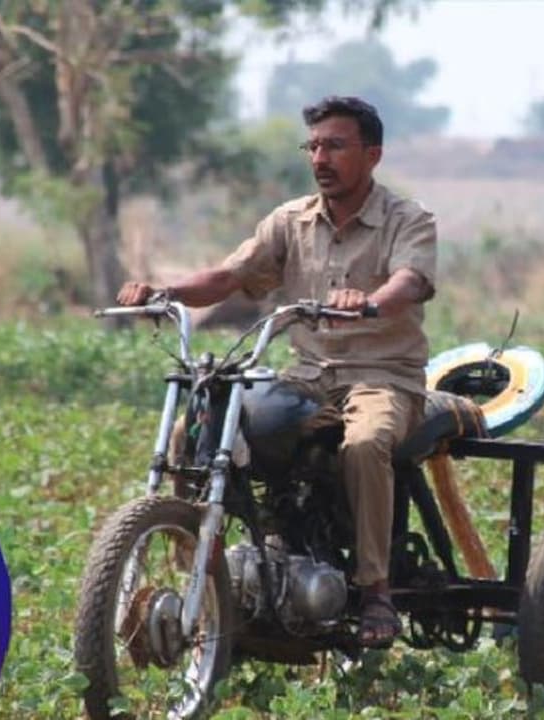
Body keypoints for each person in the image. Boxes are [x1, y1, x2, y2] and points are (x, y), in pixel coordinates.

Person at [116, 96, 436, 649]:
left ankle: (377, 588)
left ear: (372, 154)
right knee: (201, 426)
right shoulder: (290, 222)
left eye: (335, 145)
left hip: (383, 376)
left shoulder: (408, 220)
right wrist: (165, 292)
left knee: (364, 444)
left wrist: (373, 302)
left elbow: (410, 280)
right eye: (312, 146)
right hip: (308, 373)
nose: (320, 157)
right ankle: (206, 564)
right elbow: (227, 276)